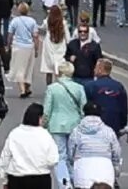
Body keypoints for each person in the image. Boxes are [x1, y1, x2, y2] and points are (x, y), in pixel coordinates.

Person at [43, 61, 87, 189]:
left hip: (56, 124)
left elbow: (47, 109)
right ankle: (75, 180)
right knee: (73, 155)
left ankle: (64, 183)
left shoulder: (52, 88)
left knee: (60, 156)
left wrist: (44, 124)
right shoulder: (79, 88)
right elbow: (83, 108)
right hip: (74, 124)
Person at [0, 103, 59, 189]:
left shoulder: (15, 133)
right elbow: (53, 159)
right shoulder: (45, 135)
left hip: (17, 177)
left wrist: (4, 179)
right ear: (39, 118)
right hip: (41, 178)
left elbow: (5, 158)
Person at [68, 101, 122, 189]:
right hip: (104, 166)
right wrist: (116, 165)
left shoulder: (76, 131)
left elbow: (71, 151)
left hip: (82, 166)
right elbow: (116, 151)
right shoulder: (108, 131)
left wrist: (72, 163)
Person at [83, 59, 128, 136]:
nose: (94, 70)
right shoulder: (119, 86)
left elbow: (84, 105)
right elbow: (123, 107)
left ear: (100, 69)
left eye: (95, 68)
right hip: (114, 124)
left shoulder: (90, 86)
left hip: (95, 126)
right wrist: (122, 124)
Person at [8, 2, 39, 98]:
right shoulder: (32, 21)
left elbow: (10, 34)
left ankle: (22, 90)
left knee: (19, 68)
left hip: (18, 46)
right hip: (29, 46)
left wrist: (8, 45)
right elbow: (35, 36)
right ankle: (27, 87)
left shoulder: (15, 21)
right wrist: (36, 48)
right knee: (29, 68)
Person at [39, 6, 68, 86]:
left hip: (49, 46)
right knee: (60, 69)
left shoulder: (47, 22)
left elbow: (42, 28)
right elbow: (68, 37)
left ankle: (49, 88)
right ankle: (60, 86)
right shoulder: (63, 23)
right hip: (60, 47)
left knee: (48, 70)